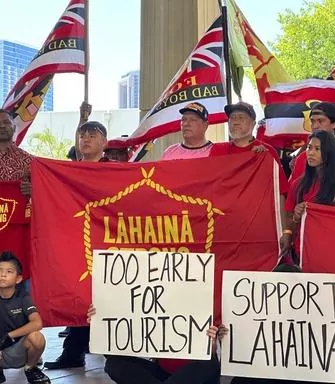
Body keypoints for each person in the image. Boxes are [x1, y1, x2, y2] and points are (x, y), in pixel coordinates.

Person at [44, 120, 110, 370]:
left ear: (104, 142)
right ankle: (72, 353)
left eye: (93, 135)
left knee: (105, 297)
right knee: (78, 294)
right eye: (82, 135)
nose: (86, 139)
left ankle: (117, 353)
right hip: (76, 240)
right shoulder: (66, 172)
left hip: (107, 240)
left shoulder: (118, 171)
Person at [86, 305, 221, 384]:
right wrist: (100, 322)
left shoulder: (206, 303)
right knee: (114, 364)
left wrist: (212, 345)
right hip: (162, 373)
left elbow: (213, 356)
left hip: (197, 375)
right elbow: (113, 350)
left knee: (209, 363)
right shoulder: (150, 304)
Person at [280, 130, 335, 260]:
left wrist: (327, 215)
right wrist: (295, 218)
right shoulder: (298, 185)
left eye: (317, 149)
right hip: (302, 253)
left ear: (329, 152)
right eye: (309, 148)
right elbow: (289, 221)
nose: (311, 153)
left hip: (334, 252)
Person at [210, 102, 289, 214]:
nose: (235, 121)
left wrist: (283, 228)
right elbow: (208, 186)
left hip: (257, 218)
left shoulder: (267, 152)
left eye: (241, 117)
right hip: (223, 217)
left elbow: (279, 191)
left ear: (253, 123)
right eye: (232, 118)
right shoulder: (217, 150)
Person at [0, 251, 50, 383]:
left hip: (16, 350)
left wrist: (9, 336)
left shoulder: (23, 297)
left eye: (9, 271)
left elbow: (37, 323)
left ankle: (30, 368)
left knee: (37, 337)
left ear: (18, 279)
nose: (3, 275)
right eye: (0, 270)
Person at [0, 109, 32, 196]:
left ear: (14, 128)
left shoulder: (29, 160)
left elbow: (44, 187)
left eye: (6, 122)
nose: (2, 126)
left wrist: (33, 190)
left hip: (18, 208)